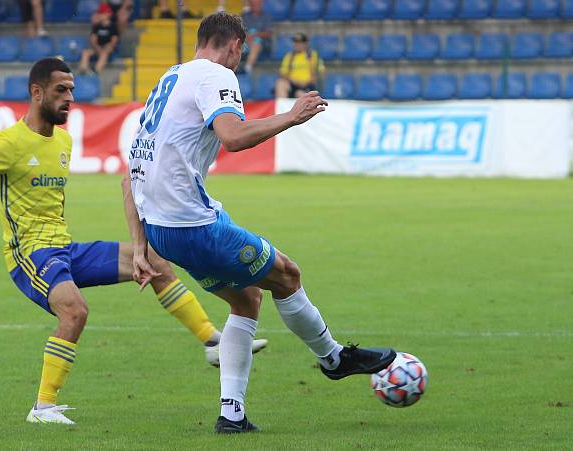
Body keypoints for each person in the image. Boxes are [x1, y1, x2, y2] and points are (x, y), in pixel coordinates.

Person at [0, 57, 266, 425]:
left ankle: (213, 343)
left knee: (155, 263)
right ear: (37, 92)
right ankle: (43, 407)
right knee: (74, 310)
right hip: (29, 254)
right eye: (61, 90)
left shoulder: (62, 139)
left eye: (72, 90)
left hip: (64, 248)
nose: (70, 98)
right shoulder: (10, 142)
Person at [126, 12, 396, 434]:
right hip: (192, 226)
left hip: (163, 227)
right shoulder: (216, 76)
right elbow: (232, 137)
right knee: (287, 275)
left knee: (246, 300)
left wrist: (141, 246)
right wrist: (292, 116)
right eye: (242, 51)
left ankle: (231, 415)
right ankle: (333, 358)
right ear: (235, 44)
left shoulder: (170, 79)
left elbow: (132, 169)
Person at [276, 32, 325, 99]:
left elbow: (320, 72)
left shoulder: (313, 55)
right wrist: (292, 80)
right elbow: (283, 73)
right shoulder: (289, 56)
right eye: (295, 42)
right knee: (280, 83)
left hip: (308, 86)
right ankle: (282, 109)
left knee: (299, 94)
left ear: (305, 44)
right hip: (292, 84)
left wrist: (308, 81)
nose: (296, 44)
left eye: (299, 42)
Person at [79, 3, 118, 75]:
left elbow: (114, 41)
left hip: (107, 49)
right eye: (102, 13)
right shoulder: (97, 26)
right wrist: (97, 47)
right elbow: (93, 39)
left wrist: (106, 48)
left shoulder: (113, 26)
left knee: (104, 52)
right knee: (85, 52)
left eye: (105, 13)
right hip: (97, 48)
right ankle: (83, 70)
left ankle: (96, 71)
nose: (103, 15)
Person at [240, 0, 271, 74]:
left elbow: (268, 33)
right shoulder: (245, 16)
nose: (255, 5)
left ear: (261, 4)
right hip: (246, 41)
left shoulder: (266, 16)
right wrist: (247, 37)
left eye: (257, 3)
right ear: (250, 4)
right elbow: (240, 30)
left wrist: (254, 35)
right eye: (253, 4)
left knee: (256, 42)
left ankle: (247, 68)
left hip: (262, 44)